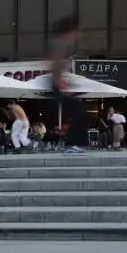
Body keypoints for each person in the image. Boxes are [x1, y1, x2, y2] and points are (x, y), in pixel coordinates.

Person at [48, 15, 87, 154]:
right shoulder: (61, 43)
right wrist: (59, 82)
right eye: (76, 32)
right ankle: (71, 144)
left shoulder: (62, 43)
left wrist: (61, 80)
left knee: (76, 111)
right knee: (77, 109)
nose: (78, 35)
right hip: (55, 85)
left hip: (56, 83)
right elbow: (55, 64)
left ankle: (72, 144)